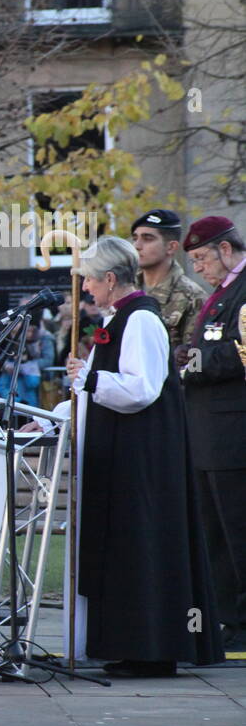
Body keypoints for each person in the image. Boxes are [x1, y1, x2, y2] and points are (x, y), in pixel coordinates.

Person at [45, 236, 223, 675]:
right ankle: (129, 645)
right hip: (122, 452)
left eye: (88, 280)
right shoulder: (121, 317)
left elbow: (141, 389)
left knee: (142, 546)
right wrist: (59, 411)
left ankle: (152, 650)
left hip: (142, 458)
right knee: (125, 547)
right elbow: (107, 389)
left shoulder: (141, 320)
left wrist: (88, 379)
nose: (85, 288)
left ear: (110, 278)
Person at [177, 215, 246, 650]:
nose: (198, 268)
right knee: (216, 536)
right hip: (209, 435)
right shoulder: (221, 293)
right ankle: (228, 621)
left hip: (233, 434)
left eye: (202, 258)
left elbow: (242, 355)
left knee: (238, 533)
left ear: (226, 249)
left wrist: (193, 363)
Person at [131, 209, 205, 347]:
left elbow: (196, 359)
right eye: (135, 238)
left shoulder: (193, 297)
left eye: (147, 239)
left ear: (171, 247)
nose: (137, 246)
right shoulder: (127, 287)